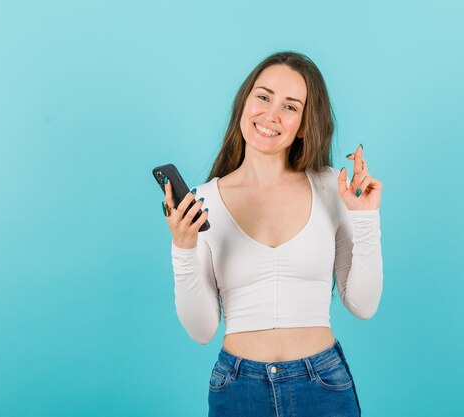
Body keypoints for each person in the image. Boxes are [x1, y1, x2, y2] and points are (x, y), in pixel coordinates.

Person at [162, 51, 383, 417]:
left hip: (323, 383)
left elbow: (363, 304)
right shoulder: (204, 201)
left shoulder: (332, 187)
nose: (271, 115)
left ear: (305, 124)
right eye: (263, 97)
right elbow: (201, 330)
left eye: (290, 106)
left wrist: (365, 217)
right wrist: (183, 248)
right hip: (238, 388)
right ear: (245, 101)